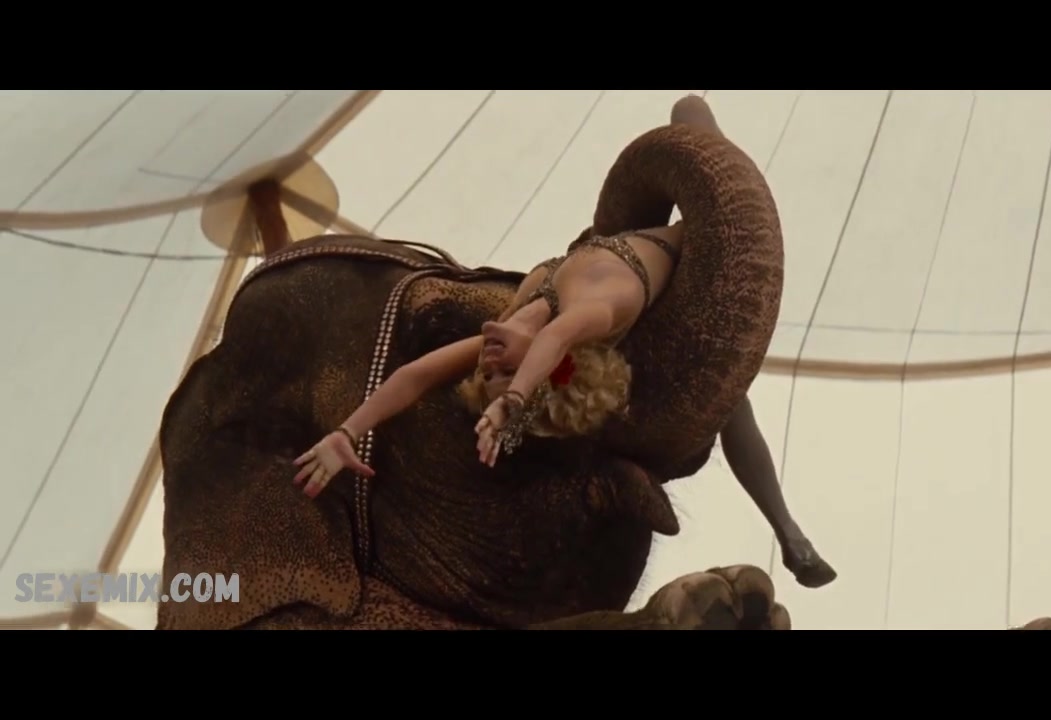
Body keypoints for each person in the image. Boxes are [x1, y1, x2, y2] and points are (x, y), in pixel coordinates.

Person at [292, 98, 837, 589]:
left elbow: (414, 376)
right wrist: (512, 400)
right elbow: (556, 336)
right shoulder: (599, 310)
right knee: (690, 109)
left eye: (488, 375)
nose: (488, 362)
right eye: (504, 371)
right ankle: (787, 527)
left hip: (610, 241)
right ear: (550, 368)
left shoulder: (511, 325)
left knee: (733, 404)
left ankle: (785, 527)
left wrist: (347, 431)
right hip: (699, 254)